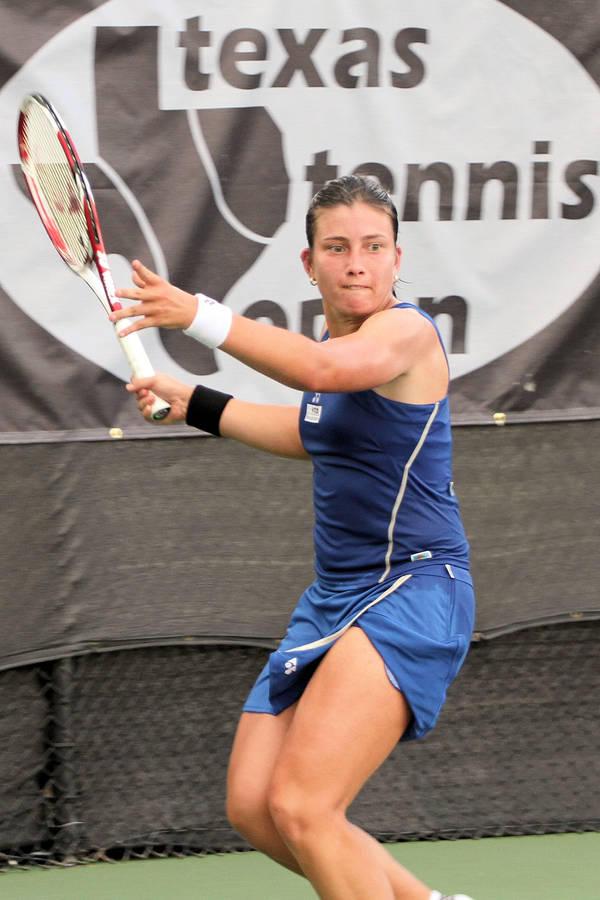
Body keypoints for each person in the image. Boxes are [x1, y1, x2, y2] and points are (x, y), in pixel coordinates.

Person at [111, 175, 476, 900]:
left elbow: (323, 372)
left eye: (373, 247)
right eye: (336, 248)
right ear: (310, 265)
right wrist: (196, 403)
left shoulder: (405, 333)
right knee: (255, 807)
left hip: (413, 587)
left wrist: (197, 315)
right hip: (335, 595)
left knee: (306, 807)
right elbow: (311, 433)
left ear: (397, 259)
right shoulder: (329, 351)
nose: (356, 263)